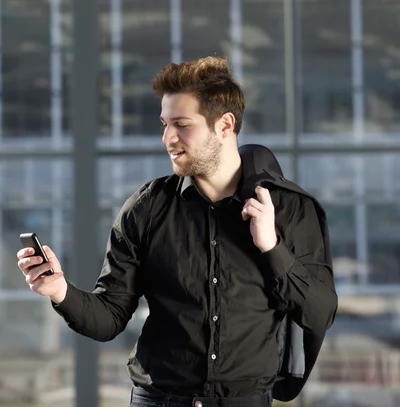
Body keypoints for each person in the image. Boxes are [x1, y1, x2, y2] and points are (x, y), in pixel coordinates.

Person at [17, 56, 337, 407]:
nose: (169, 137)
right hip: (158, 400)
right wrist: (59, 290)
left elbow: (320, 312)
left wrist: (272, 247)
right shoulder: (146, 209)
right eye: (164, 124)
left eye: (182, 124)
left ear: (225, 125)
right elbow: (109, 318)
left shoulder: (290, 209)